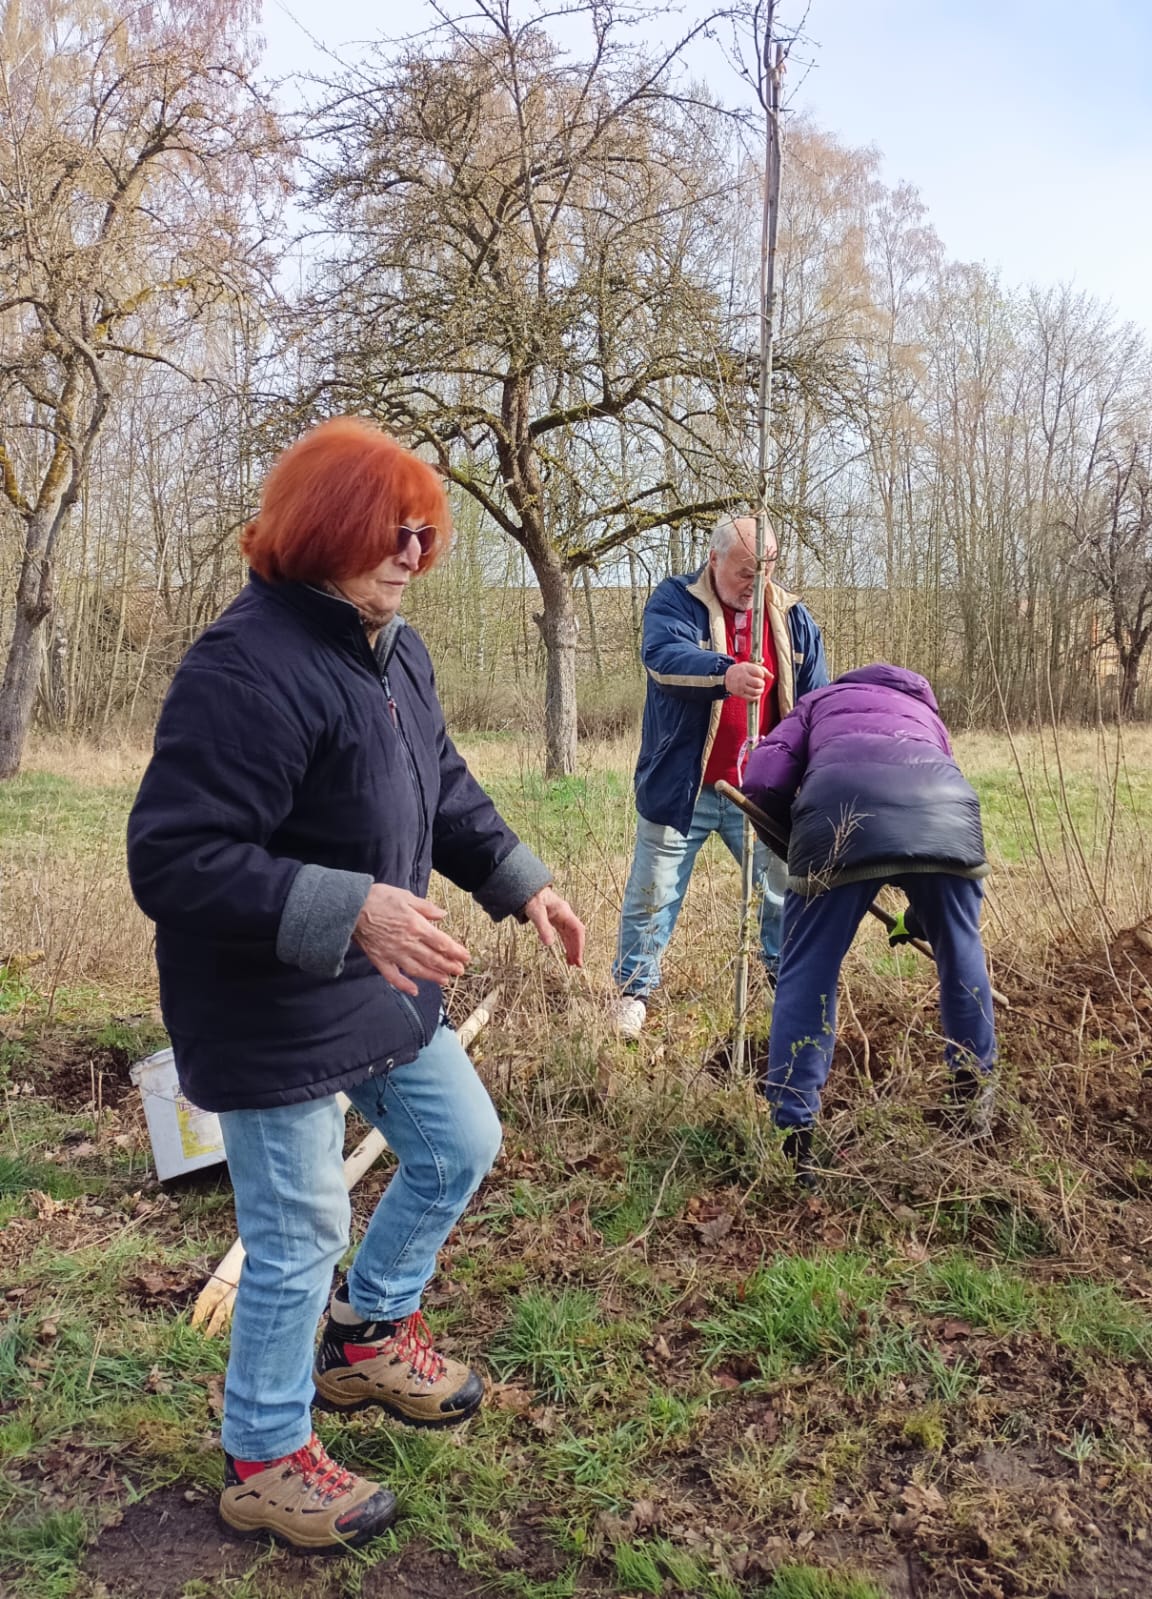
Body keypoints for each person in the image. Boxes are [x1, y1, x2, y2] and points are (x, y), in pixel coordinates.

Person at [127, 418, 585, 1554]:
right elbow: (174, 858)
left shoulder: (394, 651)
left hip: (379, 979)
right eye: (393, 533)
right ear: (324, 531)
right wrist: (356, 908)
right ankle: (264, 1456)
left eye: (426, 535)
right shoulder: (245, 667)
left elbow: (443, 787)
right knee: (298, 1233)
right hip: (268, 1000)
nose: (413, 556)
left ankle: (367, 1335)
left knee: (459, 1144)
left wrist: (521, 881)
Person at [741, 663, 997, 1185]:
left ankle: (794, 1137)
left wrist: (799, 848)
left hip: (837, 817)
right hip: (949, 817)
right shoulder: (925, 713)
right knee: (961, 951)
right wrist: (923, 919)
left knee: (807, 970)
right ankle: (974, 1103)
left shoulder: (817, 703)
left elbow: (762, 781)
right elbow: (918, 827)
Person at [612, 514, 828, 1036]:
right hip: (683, 787)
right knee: (654, 892)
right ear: (714, 559)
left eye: (766, 571)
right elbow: (663, 660)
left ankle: (783, 981)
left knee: (781, 888)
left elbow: (816, 702)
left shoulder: (794, 618)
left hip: (762, 791)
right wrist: (723, 673)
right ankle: (634, 991)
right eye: (745, 572)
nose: (755, 583)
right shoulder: (675, 600)